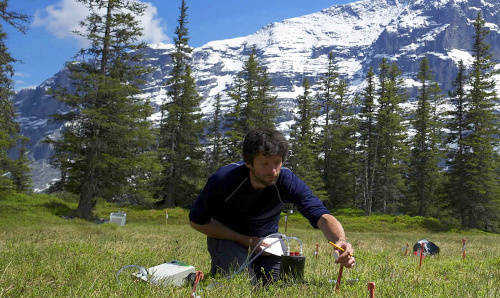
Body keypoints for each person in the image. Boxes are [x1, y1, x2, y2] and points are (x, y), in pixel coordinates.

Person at [189, 128, 355, 284]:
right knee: (238, 282)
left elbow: (322, 216)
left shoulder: (286, 180)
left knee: (278, 283)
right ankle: (203, 277)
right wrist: (247, 240)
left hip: (268, 241)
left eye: (277, 163)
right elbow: (197, 221)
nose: (273, 171)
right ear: (249, 162)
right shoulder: (224, 180)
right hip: (229, 238)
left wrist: (340, 241)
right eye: (265, 164)